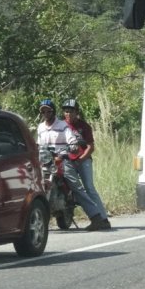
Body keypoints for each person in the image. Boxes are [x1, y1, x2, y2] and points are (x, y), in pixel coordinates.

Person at [36, 99, 109, 231]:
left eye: (48, 110)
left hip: (63, 159)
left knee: (77, 187)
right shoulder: (41, 127)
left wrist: (73, 147)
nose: (46, 113)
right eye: (43, 111)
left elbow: (72, 140)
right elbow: (39, 144)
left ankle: (96, 217)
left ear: (53, 112)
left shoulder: (63, 125)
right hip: (46, 161)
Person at [61, 98, 110, 230]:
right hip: (66, 160)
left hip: (83, 160)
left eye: (71, 111)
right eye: (66, 111)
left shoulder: (84, 127)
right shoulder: (61, 126)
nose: (68, 114)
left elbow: (90, 147)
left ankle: (103, 218)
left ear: (77, 112)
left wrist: (81, 159)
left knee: (89, 187)